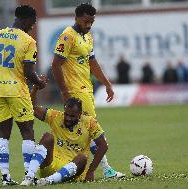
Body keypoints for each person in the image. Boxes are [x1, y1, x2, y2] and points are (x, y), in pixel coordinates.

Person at [51, 3, 124, 179]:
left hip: (86, 89)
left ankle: (73, 166)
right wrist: (65, 92)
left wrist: (106, 83)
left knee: (87, 131)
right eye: (85, 21)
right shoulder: (67, 36)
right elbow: (55, 64)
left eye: (92, 21)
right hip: (75, 92)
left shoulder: (88, 36)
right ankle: (105, 169)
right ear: (76, 18)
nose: (89, 25)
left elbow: (92, 62)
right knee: (93, 131)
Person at [0, 5, 47, 186]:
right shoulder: (28, 41)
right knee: (27, 131)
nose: (33, 26)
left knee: (3, 134)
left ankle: (5, 177)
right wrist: (40, 83)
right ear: (25, 19)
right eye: (33, 22)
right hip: (17, 91)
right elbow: (28, 71)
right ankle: (28, 175)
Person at [22, 85, 109, 186]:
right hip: (51, 165)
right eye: (66, 114)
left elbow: (103, 145)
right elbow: (31, 107)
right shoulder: (56, 116)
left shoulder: (90, 123)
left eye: (72, 116)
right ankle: (30, 176)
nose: (68, 118)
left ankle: (48, 181)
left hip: (73, 171)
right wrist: (36, 88)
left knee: (82, 158)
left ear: (80, 114)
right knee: (47, 137)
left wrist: (91, 171)